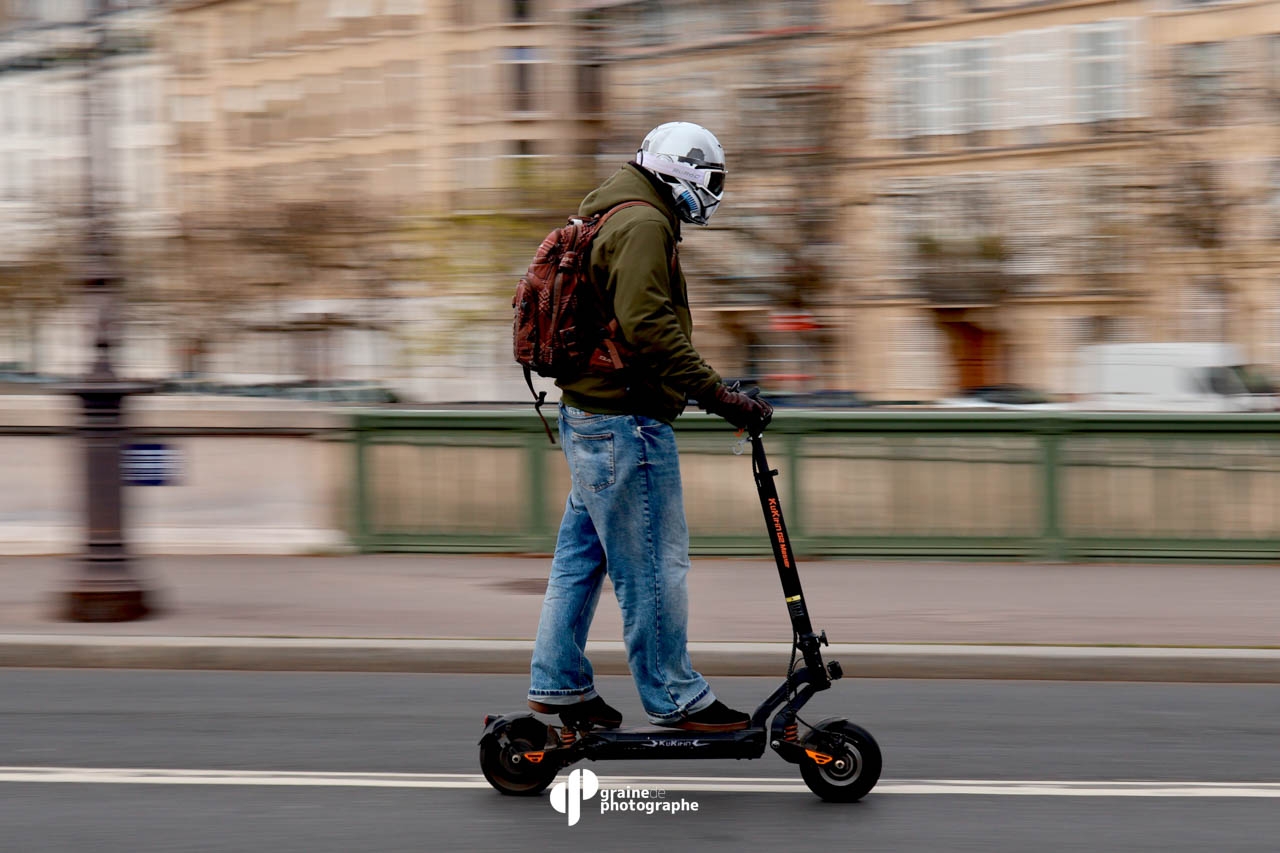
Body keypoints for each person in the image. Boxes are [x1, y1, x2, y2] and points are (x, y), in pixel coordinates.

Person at [527, 121, 774, 733]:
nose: (713, 192)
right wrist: (719, 395)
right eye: (710, 179)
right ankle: (674, 695)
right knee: (655, 567)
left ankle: (557, 682)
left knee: (580, 560)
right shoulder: (644, 223)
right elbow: (648, 327)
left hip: (593, 416)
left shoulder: (615, 213)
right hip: (625, 421)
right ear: (681, 169)